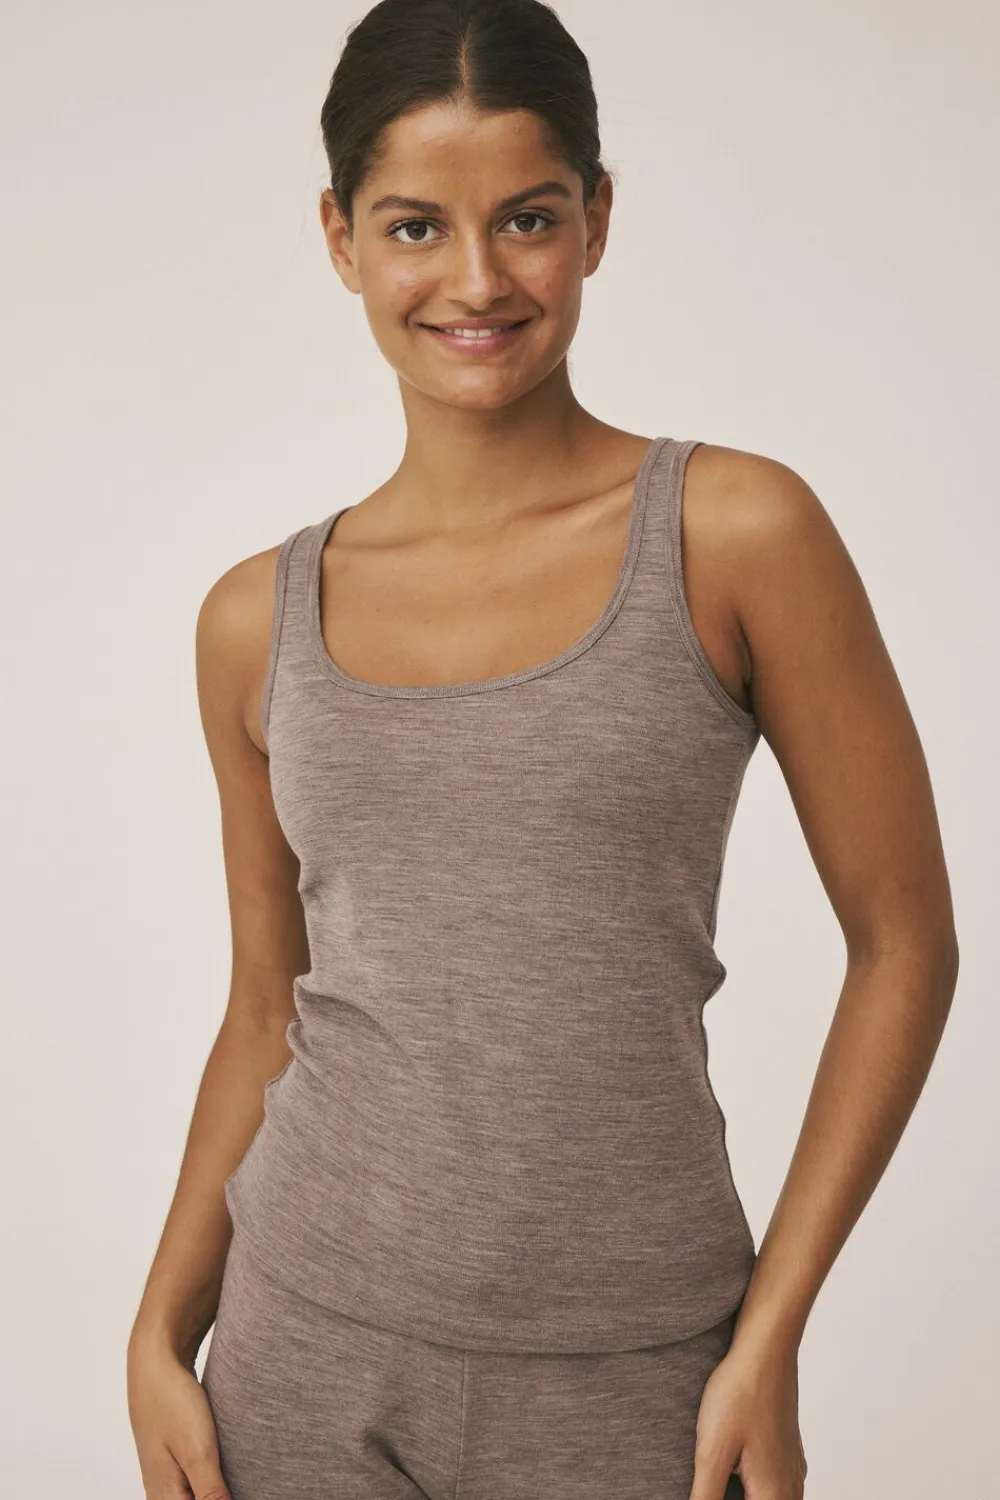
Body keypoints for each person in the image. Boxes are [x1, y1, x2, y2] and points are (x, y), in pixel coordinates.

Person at [125, 2, 959, 1497]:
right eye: (414, 226)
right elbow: (265, 1007)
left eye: (527, 218)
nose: (476, 280)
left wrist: (770, 1335)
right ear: (340, 238)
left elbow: (904, 945)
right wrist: (155, 1329)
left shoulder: (734, 534)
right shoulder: (256, 620)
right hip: (302, 1348)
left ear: (597, 221)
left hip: (639, 1370)